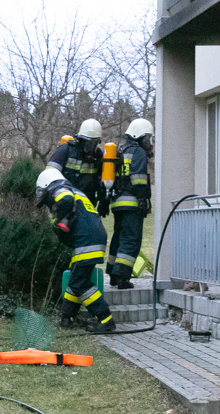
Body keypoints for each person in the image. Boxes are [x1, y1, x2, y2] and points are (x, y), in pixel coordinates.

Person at [36, 167, 115, 333]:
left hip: (86, 240)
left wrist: (61, 221)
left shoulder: (61, 190)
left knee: (79, 283)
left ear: (47, 185)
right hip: (90, 239)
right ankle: (67, 318)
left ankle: (105, 319)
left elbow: (64, 201)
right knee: (75, 279)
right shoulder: (75, 191)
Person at [107, 119, 154, 289]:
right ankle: (122, 277)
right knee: (131, 239)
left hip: (117, 203)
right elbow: (138, 178)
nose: (149, 141)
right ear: (139, 137)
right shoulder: (138, 152)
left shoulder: (121, 151)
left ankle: (112, 273)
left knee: (118, 236)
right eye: (147, 137)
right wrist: (143, 200)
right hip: (132, 203)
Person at [47, 119, 109, 216]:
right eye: (88, 143)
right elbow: (50, 175)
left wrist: (103, 200)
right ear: (80, 140)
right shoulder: (66, 150)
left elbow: (101, 181)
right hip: (66, 202)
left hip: (87, 204)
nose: (91, 148)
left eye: (94, 143)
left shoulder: (98, 155)